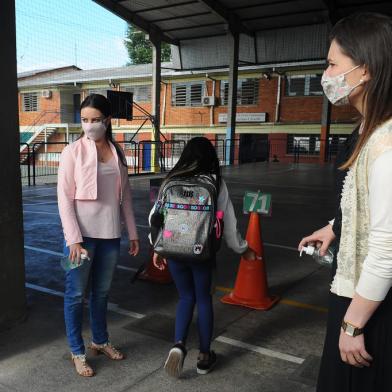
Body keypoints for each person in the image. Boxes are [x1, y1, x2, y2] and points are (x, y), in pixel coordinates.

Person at [298, 12, 392, 391]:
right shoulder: (368, 129)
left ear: (365, 71)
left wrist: (353, 324)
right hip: (360, 295)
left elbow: (387, 249)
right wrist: (336, 227)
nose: (327, 74)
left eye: (333, 64)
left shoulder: (386, 144)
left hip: (371, 307)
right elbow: (368, 201)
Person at [151, 137, 256, 378]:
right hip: (202, 253)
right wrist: (242, 249)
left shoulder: (171, 180)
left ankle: (178, 344)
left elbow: (155, 218)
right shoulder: (216, 183)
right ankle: (204, 357)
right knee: (204, 300)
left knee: (185, 298)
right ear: (212, 157)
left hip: (174, 251)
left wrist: (157, 248)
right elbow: (229, 225)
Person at [57, 94, 139, 377]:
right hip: (81, 236)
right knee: (76, 293)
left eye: (95, 120)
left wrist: (133, 231)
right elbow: (64, 199)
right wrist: (73, 239)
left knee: (101, 293)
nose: (89, 125)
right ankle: (77, 351)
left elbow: (126, 195)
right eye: (84, 120)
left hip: (110, 234)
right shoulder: (72, 152)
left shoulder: (117, 152)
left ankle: (100, 341)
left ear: (107, 120)